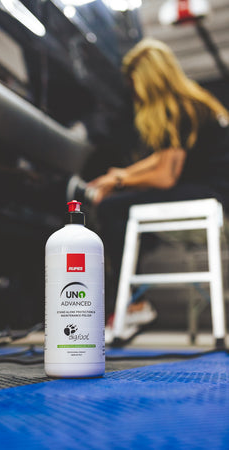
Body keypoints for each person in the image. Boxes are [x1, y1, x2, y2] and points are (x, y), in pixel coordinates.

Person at [84, 38, 229, 343]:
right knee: (122, 207)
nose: (133, 90)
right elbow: (162, 158)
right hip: (212, 195)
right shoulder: (192, 102)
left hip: (211, 198)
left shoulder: (179, 108)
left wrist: (119, 182)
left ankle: (135, 304)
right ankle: (134, 299)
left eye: (134, 81)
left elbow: (164, 177)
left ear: (147, 78)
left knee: (112, 208)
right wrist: (119, 174)